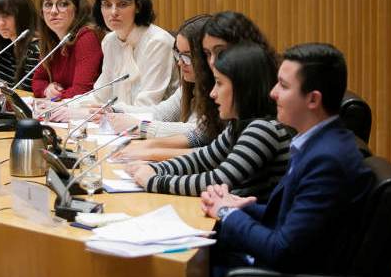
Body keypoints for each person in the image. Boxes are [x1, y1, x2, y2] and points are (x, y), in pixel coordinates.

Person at [200, 43, 373, 277]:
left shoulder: (328, 160)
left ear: (313, 99)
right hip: (274, 269)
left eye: (283, 85)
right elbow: (294, 216)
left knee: (183, 276)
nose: (272, 93)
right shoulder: (315, 142)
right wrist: (241, 205)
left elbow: (283, 250)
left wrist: (227, 213)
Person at [128, 43, 292, 201]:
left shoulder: (263, 128)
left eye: (219, 83)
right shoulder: (238, 124)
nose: (213, 93)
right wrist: (156, 168)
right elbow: (202, 159)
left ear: (243, 88)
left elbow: (218, 180)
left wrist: (153, 181)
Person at [115, 11, 277, 161]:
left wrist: (147, 146)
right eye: (208, 54)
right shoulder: (201, 84)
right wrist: (116, 112)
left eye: (187, 56)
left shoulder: (256, 118)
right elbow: (201, 140)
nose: (213, 61)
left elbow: (211, 154)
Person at [105, 14, 210, 141]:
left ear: (207, 56)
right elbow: (161, 113)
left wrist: (141, 127)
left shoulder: (219, 89)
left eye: (187, 56)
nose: (180, 62)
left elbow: (198, 133)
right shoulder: (190, 86)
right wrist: (114, 110)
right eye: (178, 54)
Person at [87, 0, 178, 110]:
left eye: (122, 4)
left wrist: (110, 111)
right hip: (119, 123)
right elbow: (99, 96)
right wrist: (62, 106)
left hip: (158, 126)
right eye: (107, 5)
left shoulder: (158, 42)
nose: (113, 12)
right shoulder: (110, 41)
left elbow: (148, 105)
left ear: (138, 6)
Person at [31, 0, 104, 99]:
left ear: (77, 8)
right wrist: (46, 90)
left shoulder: (87, 37)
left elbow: (82, 91)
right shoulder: (51, 40)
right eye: (48, 4)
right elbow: (37, 81)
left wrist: (56, 97)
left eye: (63, 4)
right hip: (64, 111)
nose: (53, 11)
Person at [0, 0, 40, 91]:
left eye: (6, 15)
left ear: (22, 15)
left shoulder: (35, 51)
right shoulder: (3, 46)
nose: (0, 23)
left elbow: (27, 95)